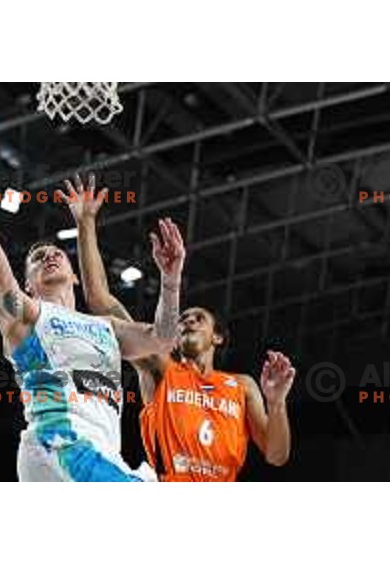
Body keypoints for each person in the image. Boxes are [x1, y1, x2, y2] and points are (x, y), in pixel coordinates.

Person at [0, 152, 176, 482]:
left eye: (57, 253)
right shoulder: (28, 316)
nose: (50, 255)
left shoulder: (107, 328)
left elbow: (163, 338)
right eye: (38, 258)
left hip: (101, 456)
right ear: (28, 283)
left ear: (76, 276)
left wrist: (170, 282)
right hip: (58, 445)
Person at [65, 174, 297, 481]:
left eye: (197, 318)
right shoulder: (159, 368)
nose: (187, 320)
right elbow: (100, 299)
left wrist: (277, 402)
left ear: (218, 336)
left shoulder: (242, 386)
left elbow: (276, 455)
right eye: (183, 318)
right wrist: (85, 222)